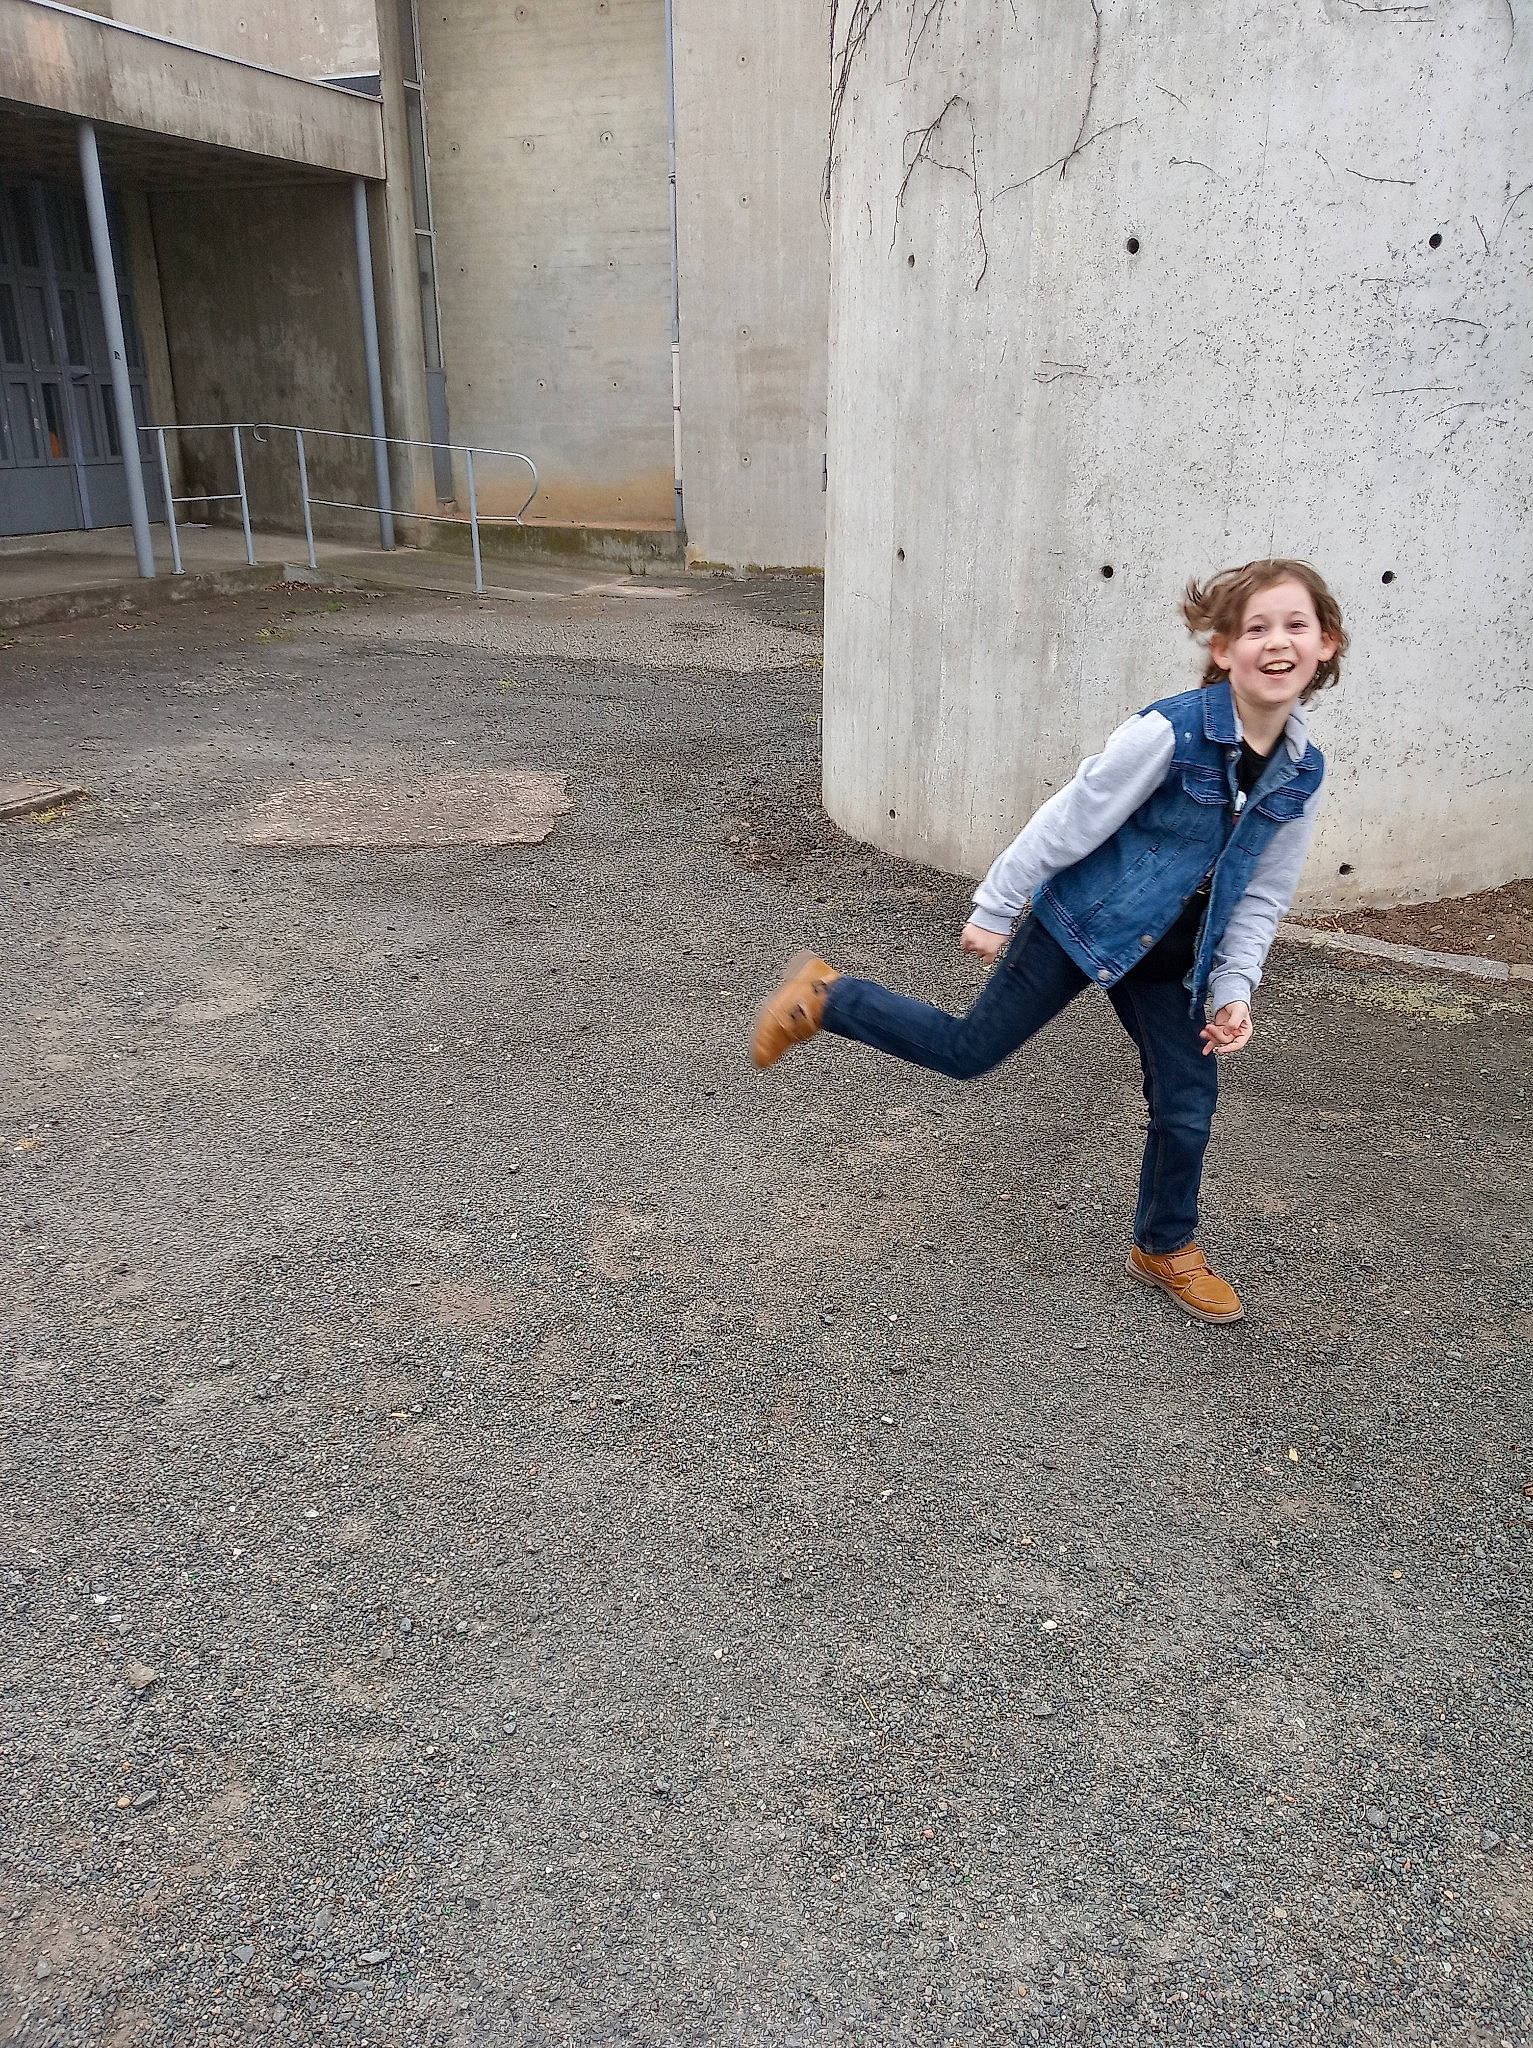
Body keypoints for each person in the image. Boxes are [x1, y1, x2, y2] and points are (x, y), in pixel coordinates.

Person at [750, 559, 1347, 1325]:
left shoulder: (1301, 773)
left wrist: (1234, 989)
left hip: (1173, 961)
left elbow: (1262, 894)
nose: (1277, 641)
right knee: (967, 1052)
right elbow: (1072, 817)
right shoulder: (1170, 732)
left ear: (1324, 644)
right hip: (1083, 922)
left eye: (1295, 625)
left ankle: (1163, 1246)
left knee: (1186, 1104)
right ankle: (828, 998)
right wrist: (997, 904)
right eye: (1255, 628)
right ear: (1223, 649)